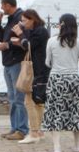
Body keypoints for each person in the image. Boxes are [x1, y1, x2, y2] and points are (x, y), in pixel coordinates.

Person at [42, 14, 79, 152]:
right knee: (74, 110)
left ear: (60, 25)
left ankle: (57, 147)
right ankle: (77, 145)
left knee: (55, 111)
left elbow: (47, 62)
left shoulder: (51, 41)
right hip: (72, 79)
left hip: (56, 79)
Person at [11, 9, 50, 144]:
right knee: (38, 102)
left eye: (24, 20)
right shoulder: (36, 30)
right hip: (39, 70)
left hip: (37, 71)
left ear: (32, 19)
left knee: (30, 101)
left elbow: (28, 45)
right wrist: (21, 38)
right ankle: (38, 131)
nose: (22, 23)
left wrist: (20, 35)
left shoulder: (40, 31)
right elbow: (27, 44)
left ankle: (34, 132)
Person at [0, 0, 28, 140]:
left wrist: (7, 46)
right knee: (12, 97)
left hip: (16, 62)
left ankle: (22, 129)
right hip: (8, 62)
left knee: (19, 98)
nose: (1, 7)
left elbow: (23, 41)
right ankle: (15, 127)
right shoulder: (10, 20)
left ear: (8, 5)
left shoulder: (20, 19)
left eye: (2, 4)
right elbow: (4, 37)